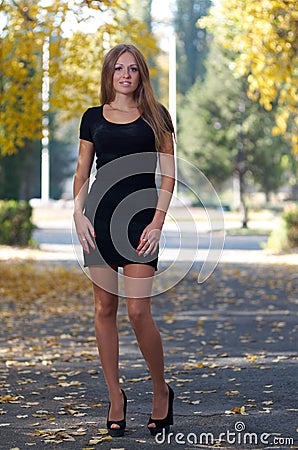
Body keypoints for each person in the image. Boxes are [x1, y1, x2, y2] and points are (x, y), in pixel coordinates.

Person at [73, 43, 175, 437]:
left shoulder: (156, 116)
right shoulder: (92, 118)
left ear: (141, 75)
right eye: (119, 69)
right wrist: (77, 214)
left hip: (139, 222)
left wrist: (158, 222)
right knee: (103, 308)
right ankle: (116, 397)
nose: (125, 75)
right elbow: (82, 173)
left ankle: (160, 390)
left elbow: (168, 175)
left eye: (132, 69)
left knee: (137, 311)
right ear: (109, 74)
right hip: (99, 219)